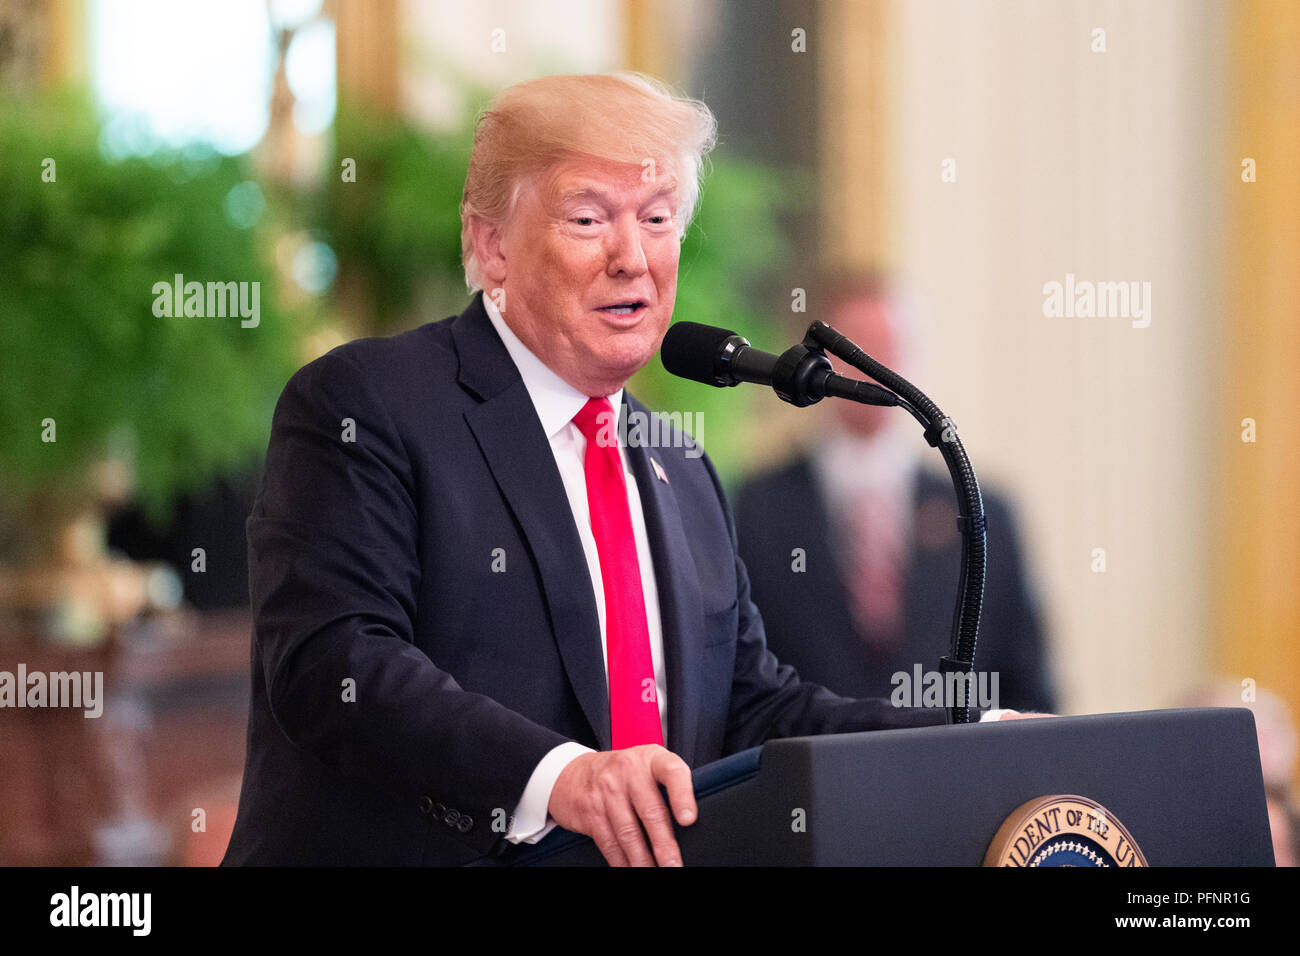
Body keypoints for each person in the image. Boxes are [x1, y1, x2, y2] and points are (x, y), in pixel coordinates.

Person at [222, 73, 1034, 868]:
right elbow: (337, 665)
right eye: (587, 219)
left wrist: (969, 740)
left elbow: (752, 707)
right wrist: (563, 778)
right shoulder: (367, 405)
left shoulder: (676, 459)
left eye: (657, 218)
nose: (632, 258)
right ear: (490, 242)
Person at [734, 272, 1057, 713]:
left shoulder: (982, 510)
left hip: (954, 768)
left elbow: (1028, 684)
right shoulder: (758, 508)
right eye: (857, 351)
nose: (874, 370)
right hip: (812, 766)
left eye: (888, 348)